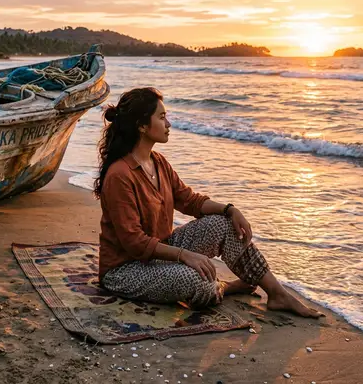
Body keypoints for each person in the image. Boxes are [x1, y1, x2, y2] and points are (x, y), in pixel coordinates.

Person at [95, 87, 323, 317]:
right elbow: (133, 242)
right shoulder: (120, 175)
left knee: (223, 224)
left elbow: (189, 201)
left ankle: (277, 294)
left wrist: (230, 210)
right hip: (125, 269)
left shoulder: (158, 162)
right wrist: (184, 255)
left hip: (159, 252)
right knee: (197, 280)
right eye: (162, 117)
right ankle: (225, 287)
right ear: (142, 126)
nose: (169, 124)